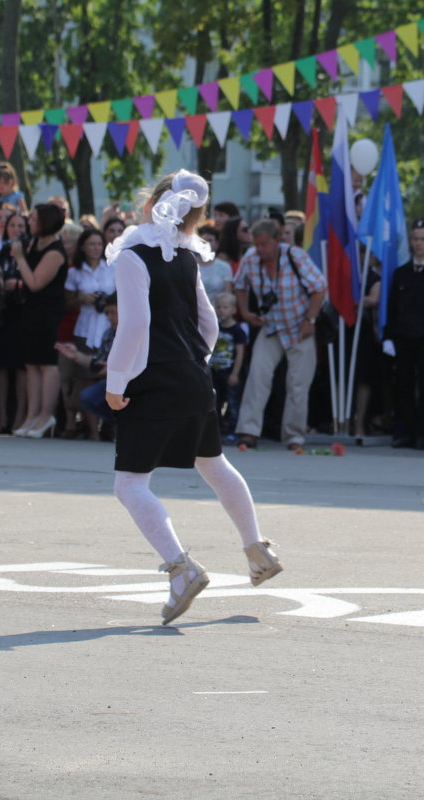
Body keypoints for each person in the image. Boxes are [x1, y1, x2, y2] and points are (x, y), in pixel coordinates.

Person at [104, 170, 282, 625]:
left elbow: (135, 325)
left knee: (130, 483)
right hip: (194, 378)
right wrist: (191, 360)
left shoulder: (132, 256)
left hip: (155, 380)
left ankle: (182, 568)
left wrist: (117, 380)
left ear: (151, 203)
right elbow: (210, 326)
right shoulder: (186, 257)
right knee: (213, 464)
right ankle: (256, 547)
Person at [233, 218, 326, 452]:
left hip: (300, 327)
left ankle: (294, 435)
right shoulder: (251, 258)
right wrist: (245, 312)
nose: (260, 249)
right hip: (272, 326)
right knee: (258, 375)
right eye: (257, 244)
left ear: (277, 240)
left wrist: (310, 320)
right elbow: (239, 284)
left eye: (264, 244)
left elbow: (319, 287)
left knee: (298, 383)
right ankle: (248, 431)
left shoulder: (295, 256)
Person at [383, 219, 424, 450]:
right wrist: (388, 337)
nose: (419, 243)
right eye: (415, 239)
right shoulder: (401, 273)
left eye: (423, 239)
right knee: (403, 385)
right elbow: (393, 307)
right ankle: (406, 432)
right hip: (403, 337)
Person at [11, 203, 68, 438]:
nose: (29, 223)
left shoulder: (55, 251)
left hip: (47, 313)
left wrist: (20, 258)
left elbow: (35, 282)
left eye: (34, 219)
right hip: (30, 311)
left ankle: (46, 415)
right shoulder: (34, 242)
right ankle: (31, 415)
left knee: (46, 363)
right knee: (31, 363)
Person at [61, 227, 114, 438]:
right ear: (83, 246)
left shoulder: (112, 267)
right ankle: (93, 432)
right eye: (91, 244)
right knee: (86, 377)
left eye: (99, 244)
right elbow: (66, 301)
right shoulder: (75, 271)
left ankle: (111, 427)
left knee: (112, 376)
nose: (95, 248)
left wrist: (106, 300)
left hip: (108, 326)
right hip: (85, 326)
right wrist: (82, 299)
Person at [0, 210, 29, 432]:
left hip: (23, 314)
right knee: (1, 366)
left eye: (21, 226)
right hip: (2, 314)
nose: (17, 230)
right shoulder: (0, 252)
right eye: (13, 225)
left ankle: (20, 415)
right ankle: (1, 415)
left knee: (22, 368)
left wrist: (20, 285)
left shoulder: (30, 251)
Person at [210, 292, 246, 438]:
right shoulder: (214, 327)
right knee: (215, 402)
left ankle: (232, 431)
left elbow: (240, 354)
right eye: (218, 307)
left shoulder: (238, 331)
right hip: (214, 371)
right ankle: (216, 431)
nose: (221, 310)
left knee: (232, 402)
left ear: (234, 310)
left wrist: (235, 374)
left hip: (229, 372)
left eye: (225, 307)